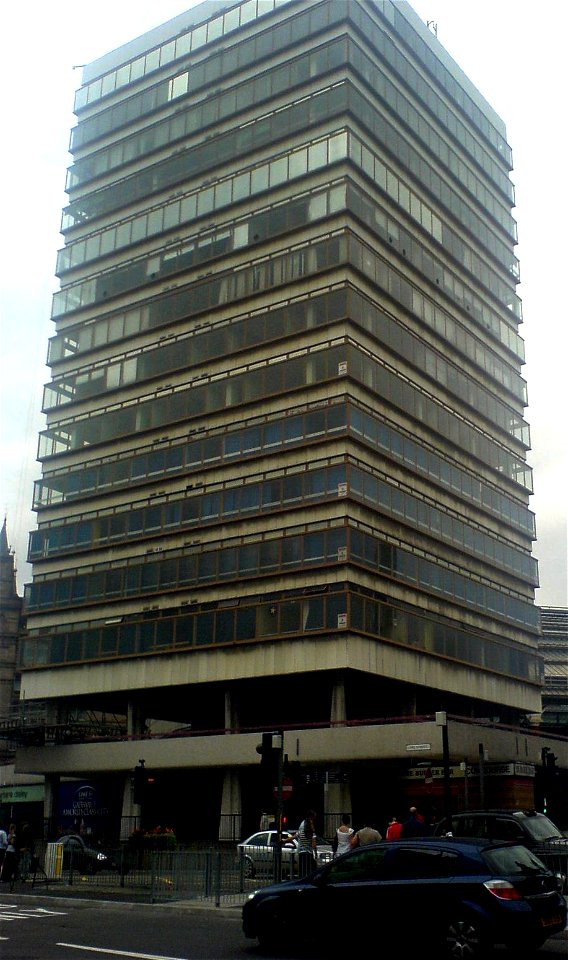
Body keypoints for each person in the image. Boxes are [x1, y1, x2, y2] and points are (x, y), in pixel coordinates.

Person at [297, 809, 317, 877]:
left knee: (302, 873)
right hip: (308, 852)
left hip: (301, 852)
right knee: (310, 873)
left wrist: (285, 840)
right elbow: (313, 845)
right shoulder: (309, 826)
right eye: (313, 819)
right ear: (311, 818)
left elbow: (297, 835)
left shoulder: (302, 824)